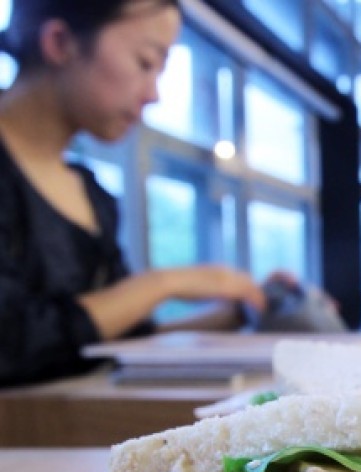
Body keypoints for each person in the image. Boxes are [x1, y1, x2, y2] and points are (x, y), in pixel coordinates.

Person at [0, 0, 277, 387]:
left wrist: (239, 311)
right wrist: (163, 284)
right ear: (61, 42)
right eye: (146, 63)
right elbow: (12, 345)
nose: (154, 95)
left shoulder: (92, 194)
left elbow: (116, 341)